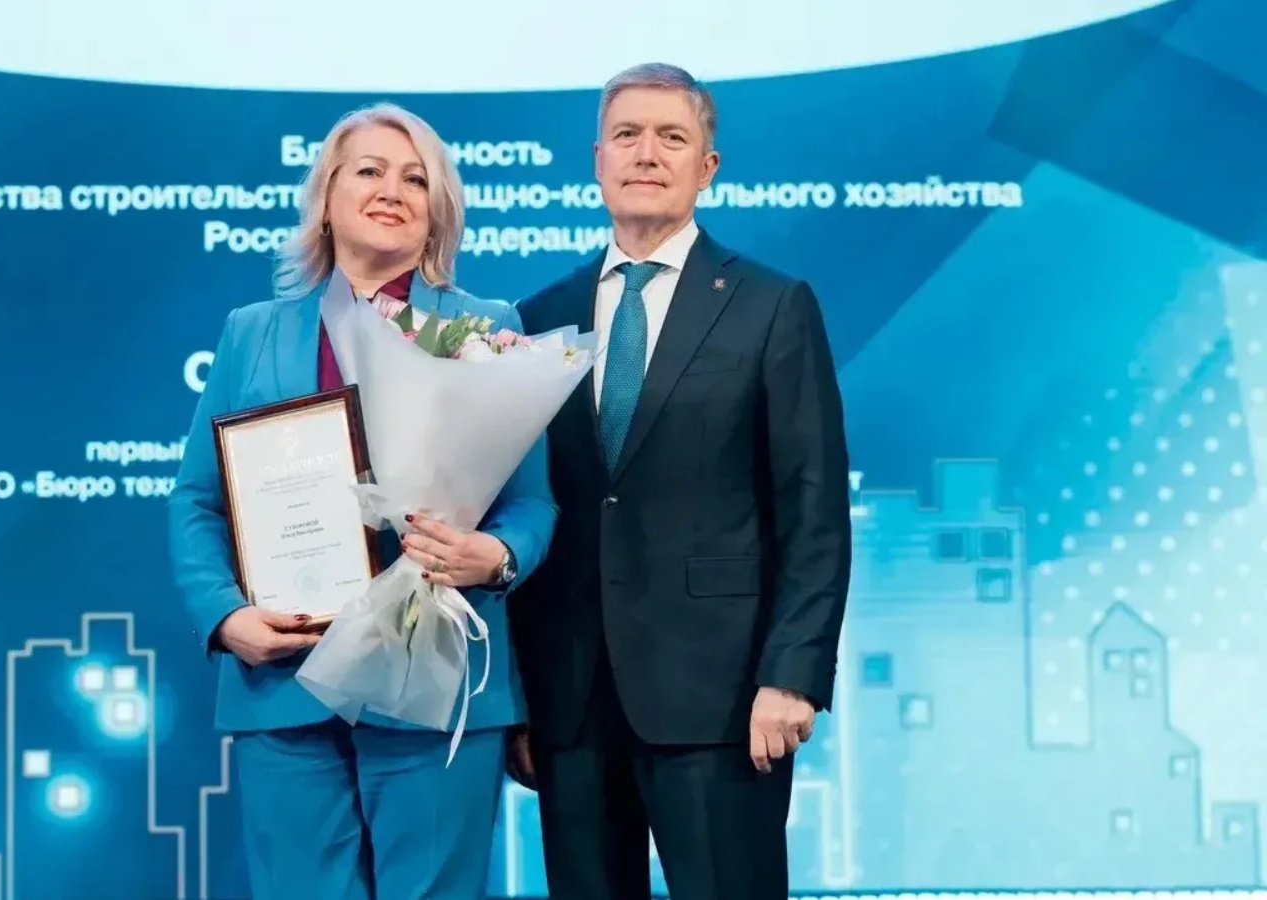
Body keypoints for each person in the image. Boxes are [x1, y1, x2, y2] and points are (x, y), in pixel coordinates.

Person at [167, 102, 556, 900]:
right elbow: (198, 501)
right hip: (286, 680)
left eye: (416, 179)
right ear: (326, 199)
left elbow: (532, 505)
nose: (393, 190)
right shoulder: (251, 333)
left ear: (437, 210)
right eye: (370, 171)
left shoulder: (488, 329)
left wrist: (494, 555)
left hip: (435, 680)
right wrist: (225, 617)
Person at [509, 63, 853, 900]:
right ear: (598, 160)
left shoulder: (772, 305)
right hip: (573, 703)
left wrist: (793, 674)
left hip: (724, 700)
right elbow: (525, 506)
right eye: (627, 135)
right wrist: (519, 701)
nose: (647, 153)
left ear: (707, 167)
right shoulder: (538, 318)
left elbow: (812, 509)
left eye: (672, 137)